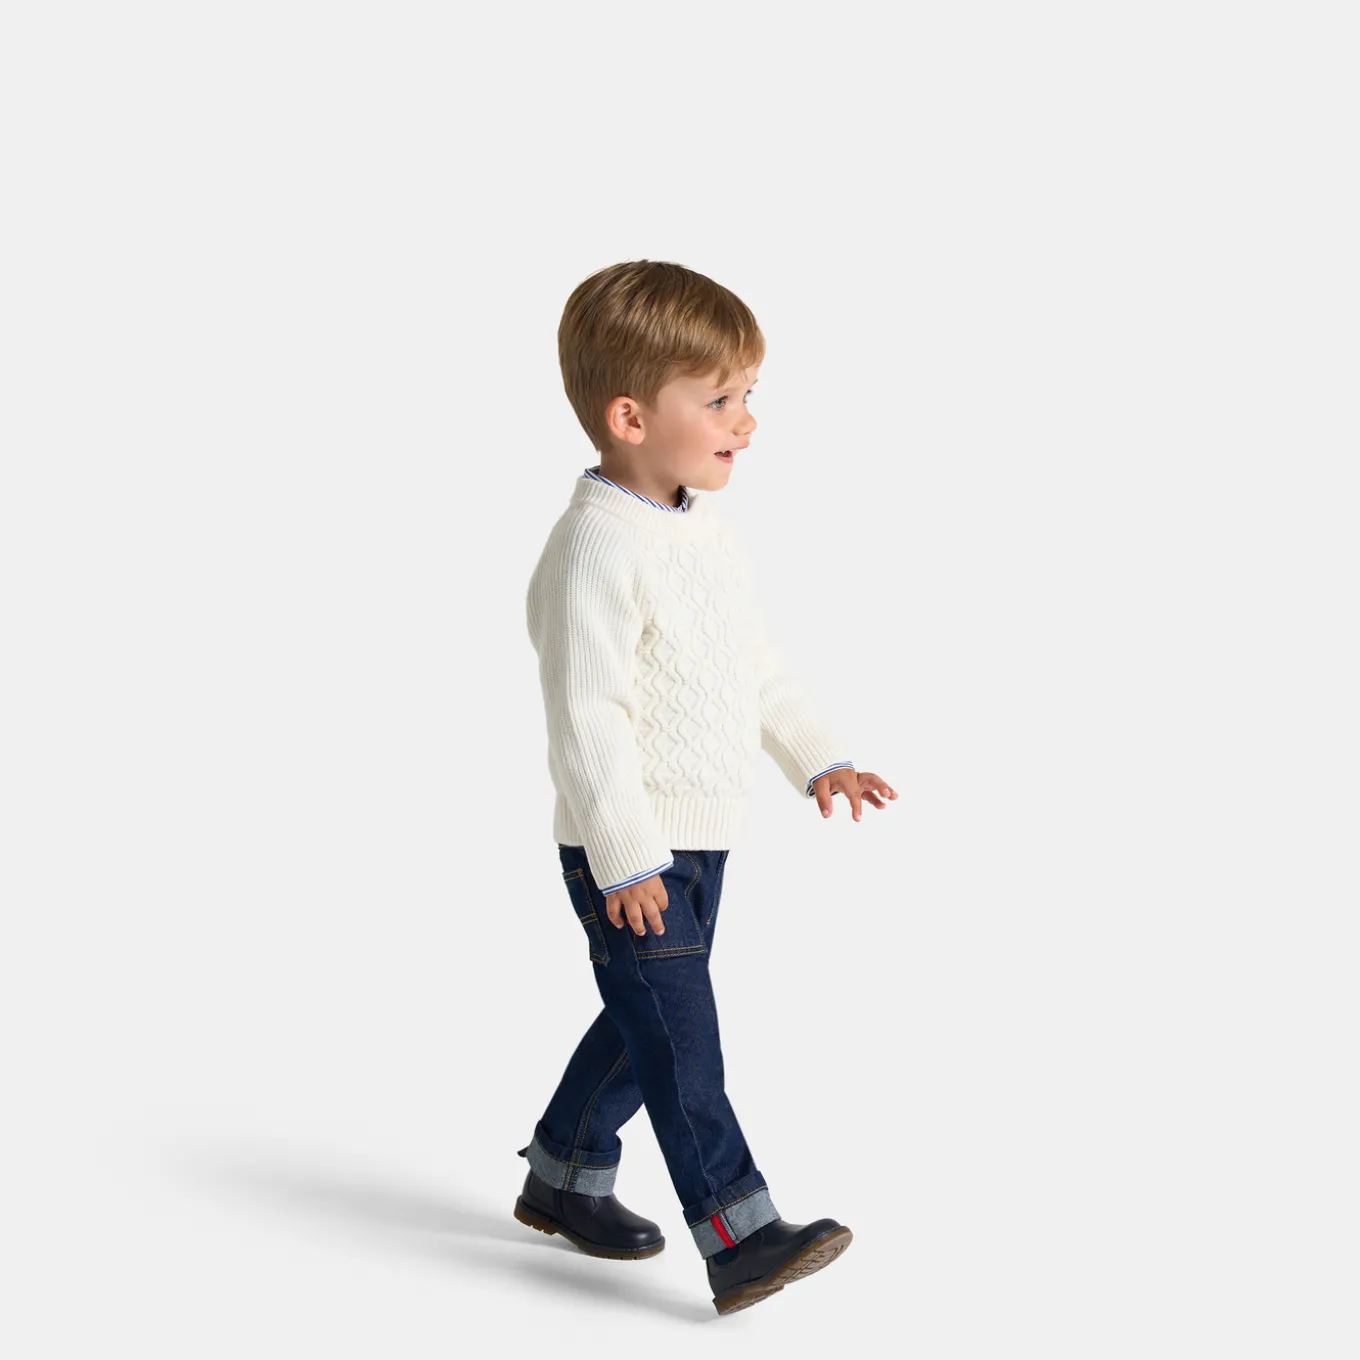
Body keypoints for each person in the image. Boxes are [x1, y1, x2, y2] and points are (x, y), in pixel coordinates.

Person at [514, 259, 897, 1316]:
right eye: (720, 400)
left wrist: (817, 755)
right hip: (628, 848)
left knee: (646, 1021)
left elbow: (750, 665)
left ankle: (565, 1170)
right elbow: (586, 717)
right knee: (683, 1040)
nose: (747, 423)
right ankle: (738, 1232)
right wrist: (624, 860)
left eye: (748, 396)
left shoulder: (700, 532)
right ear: (630, 417)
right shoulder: (595, 548)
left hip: (701, 835)